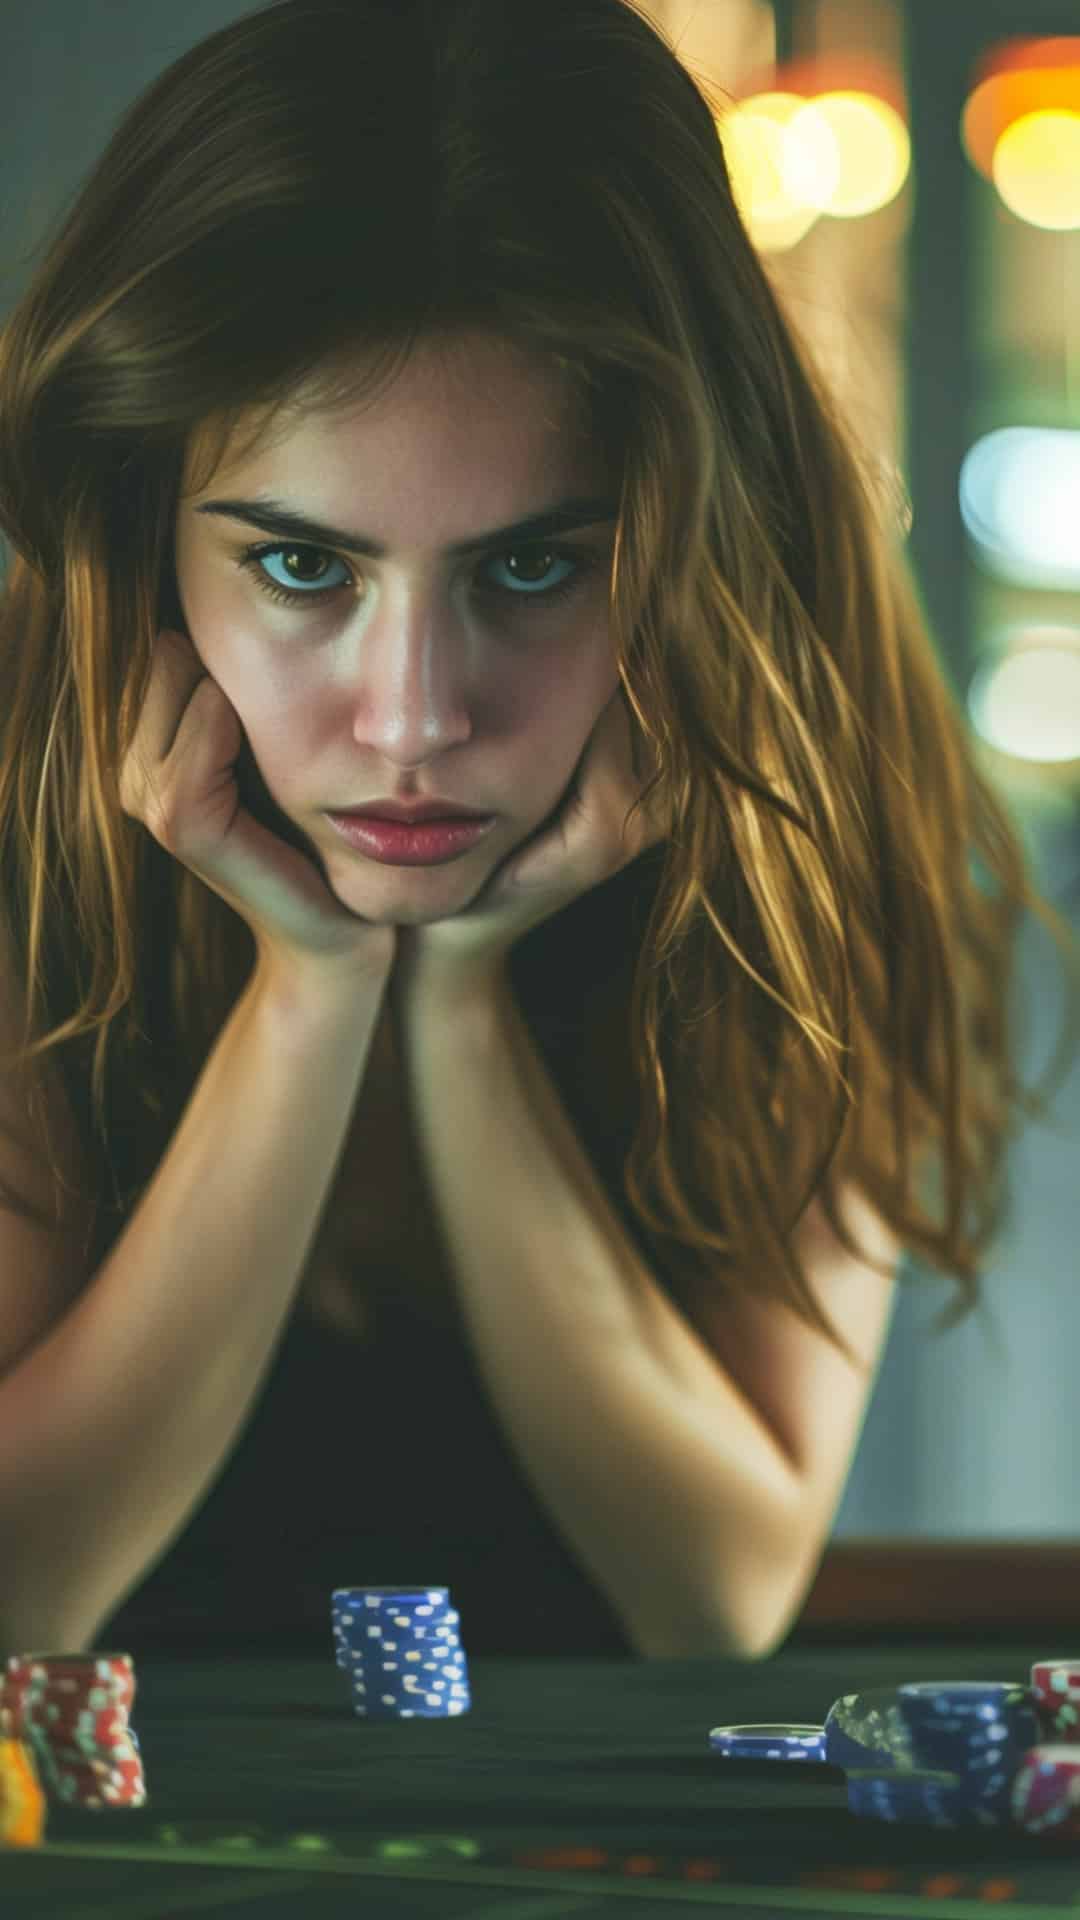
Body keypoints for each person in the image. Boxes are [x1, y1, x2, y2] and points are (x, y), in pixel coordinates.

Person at [0, 0, 1076, 1664]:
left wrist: (457, 1000)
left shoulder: (790, 765)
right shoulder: (21, 793)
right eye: (303, 567)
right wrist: (310, 986)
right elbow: (16, 1595)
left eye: (531, 566)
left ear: (682, 552)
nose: (417, 719)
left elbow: (714, 1591)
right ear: (147, 551)